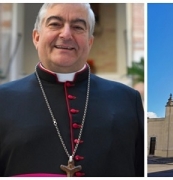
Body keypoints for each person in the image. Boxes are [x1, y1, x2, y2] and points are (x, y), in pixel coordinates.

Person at [0, 3, 144, 177]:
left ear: (90, 42)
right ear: (36, 37)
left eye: (77, 27)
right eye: (55, 24)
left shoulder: (127, 100)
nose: (66, 34)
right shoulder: (3, 99)